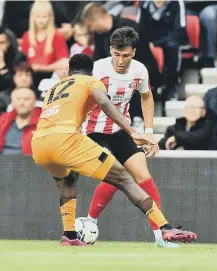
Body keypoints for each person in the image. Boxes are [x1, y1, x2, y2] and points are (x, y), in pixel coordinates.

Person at [31, 53, 196, 246]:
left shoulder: (54, 87)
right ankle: (165, 228)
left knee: (67, 180)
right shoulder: (91, 81)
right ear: (91, 71)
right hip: (66, 138)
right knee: (124, 177)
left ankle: (70, 235)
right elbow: (105, 103)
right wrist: (132, 131)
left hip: (39, 143)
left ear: (69, 71)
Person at [81, 26, 177, 248]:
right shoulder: (97, 70)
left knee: (142, 174)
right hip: (92, 132)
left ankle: (160, 235)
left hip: (120, 131)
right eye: (116, 54)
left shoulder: (140, 71)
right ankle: (89, 221)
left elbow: (147, 97)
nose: (120, 60)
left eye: (125, 55)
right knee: (118, 174)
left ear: (134, 52)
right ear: (110, 50)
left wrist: (150, 132)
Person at [81, 2, 162, 89]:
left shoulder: (128, 27)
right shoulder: (100, 35)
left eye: (90, 26)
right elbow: (97, 58)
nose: (90, 30)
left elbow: (126, 58)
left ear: (96, 21)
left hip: (139, 74)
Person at [141, 0, 188, 100]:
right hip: (150, 39)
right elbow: (140, 27)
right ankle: (151, 87)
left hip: (171, 38)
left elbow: (179, 30)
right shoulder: (144, 4)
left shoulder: (177, 3)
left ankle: (171, 87)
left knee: (172, 46)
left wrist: (157, 43)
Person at [21, 1, 69, 87]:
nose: (41, 20)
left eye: (44, 16)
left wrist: (41, 68)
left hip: (51, 78)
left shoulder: (57, 35)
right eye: (37, 16)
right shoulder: (27, 36)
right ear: (32, 17)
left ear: (50, 17)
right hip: (31, 79)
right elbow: (22, 60)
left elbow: (64, 62)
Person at [0, 88, 40, 155]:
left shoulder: (44, 122)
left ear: (34, 103)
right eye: (18, 99)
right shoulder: (3, 120)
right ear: (12, 102)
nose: (22, 103)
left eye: (26, 99)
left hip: (29, 163)